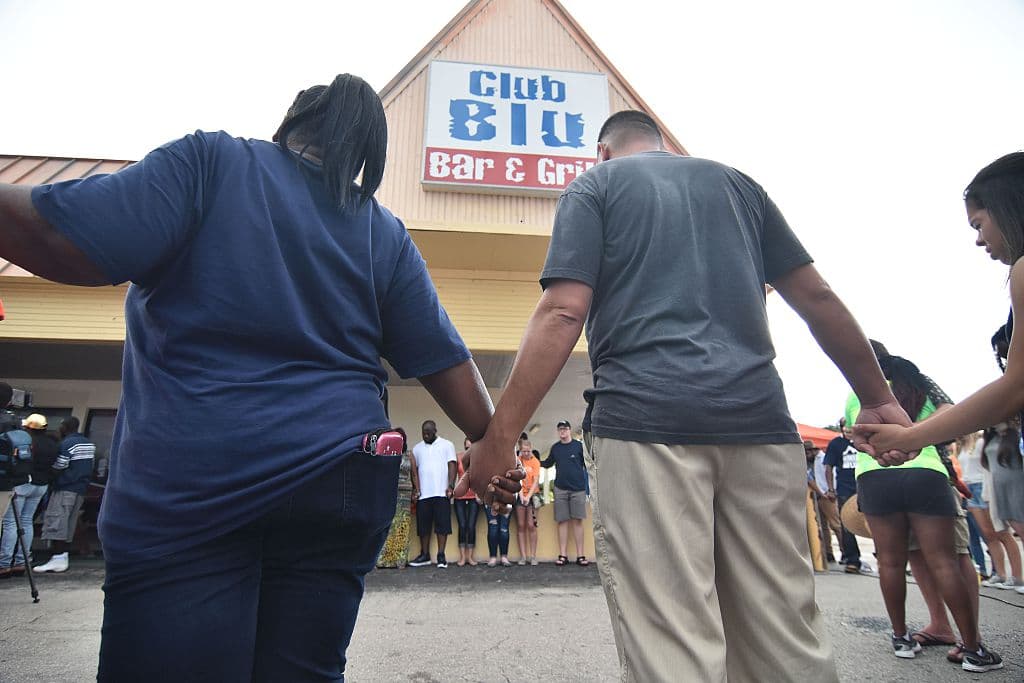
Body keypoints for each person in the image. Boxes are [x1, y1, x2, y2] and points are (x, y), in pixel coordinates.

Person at [0, 74, 522, 681]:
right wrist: (492, 445)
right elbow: (447, 364)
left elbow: (57, 234)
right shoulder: (379, 230)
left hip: (199, 482)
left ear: (288, 127)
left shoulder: (211, 165)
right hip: (341, 480)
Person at [459, 110, 915, 682]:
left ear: (602, 151)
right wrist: (878, 397)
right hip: (761, 427)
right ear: (662, 145)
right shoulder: (739, 187)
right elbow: (817, 298)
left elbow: (563, 311)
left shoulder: (595, 186)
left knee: (673, 640)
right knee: (783, 631)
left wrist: (499, 438)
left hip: (645, 429)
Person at [855, 153, 1024, 672]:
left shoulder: (1023, 270)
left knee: (893, 561)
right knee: (950, 558)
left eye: (979, 223)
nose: (979, 239)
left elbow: (1013, 388)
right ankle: (971, 643)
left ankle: (905, 634)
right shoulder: (919, 381)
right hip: (929, 478)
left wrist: (906, 438)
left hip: (881, 480)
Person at [33, 416, 96, 573]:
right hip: (80, 489)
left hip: (65, 487)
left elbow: (60, 465)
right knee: (69, 523)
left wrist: (48, 476)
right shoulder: (88, 444)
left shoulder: (67, 444)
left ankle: (57, 557)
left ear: (65, 427)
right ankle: (63, 557)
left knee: (57, 521)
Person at [0, 414, 58, 577]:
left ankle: (4, 563)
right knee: (26, 521)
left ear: (28, 428)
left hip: (23, 483)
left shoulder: (27, 441)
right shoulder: (52, 443)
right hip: (41, 485)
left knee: (11, 523)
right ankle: (22, 561)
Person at [974, 426, 1024, 589]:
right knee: (1004, 531)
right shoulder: (991, 437)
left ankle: (1018, 577)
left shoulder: (1015, 435)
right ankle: (1014, 577)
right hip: (998, 489)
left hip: (1017, 486)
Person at [408, 420, 457, 569]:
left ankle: (441, 556)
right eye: (423, 433)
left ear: (435, 431)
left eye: (428, 433)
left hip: (441, 493)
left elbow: (452, 465)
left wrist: (450, 486)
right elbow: (414, 472)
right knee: (423, 527)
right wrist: (416, 490)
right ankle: (425, 555)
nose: (425, 436)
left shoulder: (447, 445)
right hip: (424, 495)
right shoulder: (417, 449)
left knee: (442, 526)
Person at [540, 420, 590, 566]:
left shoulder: (578, 446)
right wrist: (534, 460)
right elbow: (547, 463)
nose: (562, 431)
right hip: (560, 489)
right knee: (562, 521)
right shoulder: (555, 448)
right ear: (558, 431)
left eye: (565, 429)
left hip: (578, 489)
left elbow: (587, 463)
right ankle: (563, 555)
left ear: (569, 430)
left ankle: (581, 555)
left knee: (578, 521)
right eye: (560, 429)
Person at [823, 418, 863, 573]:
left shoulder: (864, 441)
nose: (849, 432)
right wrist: (830, 488)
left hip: (865, 484)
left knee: (876, 522)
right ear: (841, 429)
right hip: (845, 488)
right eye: (846, 429)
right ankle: (853, 559)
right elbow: (828, 467)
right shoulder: (836, 444)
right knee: (847, 524)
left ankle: (881, 556)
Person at [805, 440, 840, 564]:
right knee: (823, 526)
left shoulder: (823, 459)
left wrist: (830, 491)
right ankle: (828, 553)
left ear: (812, 451)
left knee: (835, 525)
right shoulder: (811, 462)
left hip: (826, 494)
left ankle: (844, 551)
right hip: (819, 496)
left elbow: (831, 475)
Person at [453, 437, 480, 567]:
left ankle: (470, 557)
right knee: (462, 525)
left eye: (471, 447)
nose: (468, 449)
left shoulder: (479, 459)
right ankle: (462, 557)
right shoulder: (458, 457)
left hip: (474, 497)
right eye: (466, 447)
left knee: (471, 526)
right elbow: (453, 475)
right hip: (460, 497)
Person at [514, 439, 540, 565]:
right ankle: (523, 556)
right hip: (520, 495)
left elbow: (535, 480)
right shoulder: (517, 461)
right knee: (521, 525)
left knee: (531, 525)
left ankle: (533, 556)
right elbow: (517, 479)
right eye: (523, 451)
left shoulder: (535, 461)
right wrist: (521, 496)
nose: (526, 453)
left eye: (528, 451)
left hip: (532, 496)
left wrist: (528, 497)